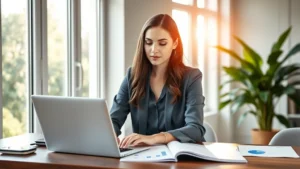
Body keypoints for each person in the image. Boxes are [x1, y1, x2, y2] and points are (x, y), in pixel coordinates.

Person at [110, 14, 205, 148]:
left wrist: (155, 138)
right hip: (144, 158)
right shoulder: (132, 76)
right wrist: (109, 135)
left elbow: (196, 129)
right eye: (148, 42)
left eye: (162, 43)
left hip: (182, 158)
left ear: (175, 43)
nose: (154, 50)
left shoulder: (192, 77)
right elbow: (113, 120)